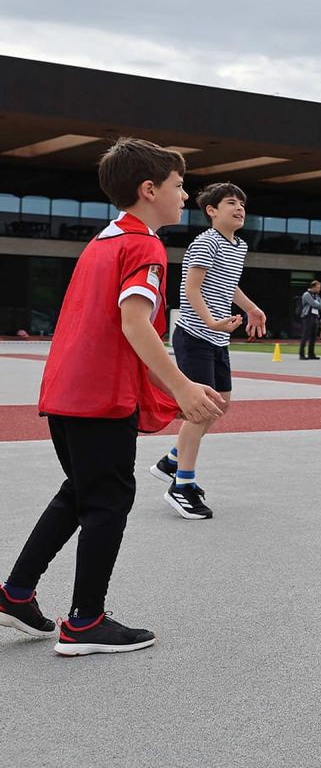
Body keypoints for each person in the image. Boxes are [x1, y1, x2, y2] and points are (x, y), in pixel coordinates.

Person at [0, 139, 225, 655]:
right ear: (150, 190)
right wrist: (182, 386)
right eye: (178, 186)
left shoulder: (102, 242)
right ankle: (85, 623)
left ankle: (15, 594)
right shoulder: (143, 245)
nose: (185, 195)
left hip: (65, 390)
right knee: (107, 501)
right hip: (101, 396)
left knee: (80, 492)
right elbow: (134, 322)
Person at [149, 182, 268, 520]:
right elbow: (191, 288)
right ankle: (181, 484)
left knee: (221, 404)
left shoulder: (239, 245)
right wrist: (211, 321)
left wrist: (251, 308)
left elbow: (229, 284)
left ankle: (171, 460)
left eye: (243, 202)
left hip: (217, 339)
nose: (240, 207)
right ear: (212, 211)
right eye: (231, 202)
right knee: (200, 412)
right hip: (195, 335)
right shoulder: (205, 243)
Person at [298, 279, 321, 359]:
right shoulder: (306, 294)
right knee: (305, 335)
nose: (319, 289)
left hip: (315, 317)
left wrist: (317, 304)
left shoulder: (316, 296)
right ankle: (301, 354)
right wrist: (317, 304)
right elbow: (313, 304)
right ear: (313, 287)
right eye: (318, 287)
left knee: (313, 336)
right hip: (308, 316)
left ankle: (311, 354)